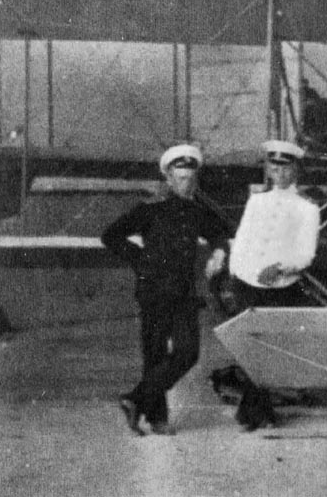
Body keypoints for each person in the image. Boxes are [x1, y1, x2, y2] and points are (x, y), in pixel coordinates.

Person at [102, 144, 231, 436]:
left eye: (191, 179)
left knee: (188, 353)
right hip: (154, 291)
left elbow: (219, 233)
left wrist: (219, 251)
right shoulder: (150, 209)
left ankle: (135, 400)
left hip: (184, 293)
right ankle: (157, 419)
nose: (187, 184)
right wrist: (141, 260)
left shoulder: (197, 212)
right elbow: (110, 236)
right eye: (181, 178)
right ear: (169, 178)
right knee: (155, 354)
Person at [229, 140, 321, 308]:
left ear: (296, 170)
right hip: (246, 281)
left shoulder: (308, 208)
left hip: (281, 287)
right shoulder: (256, 201)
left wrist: (280, 269)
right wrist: (234, 270)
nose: (280, 174)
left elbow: (305, 254)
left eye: (286, 169)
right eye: (275, 169)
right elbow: (242, 239)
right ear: (269, 171)